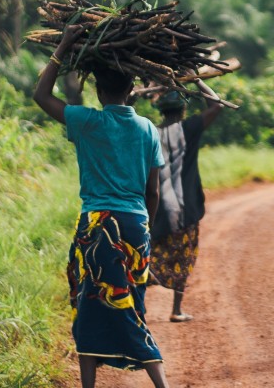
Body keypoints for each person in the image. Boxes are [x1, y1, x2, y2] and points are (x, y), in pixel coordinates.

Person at [33, 26, 173, 388]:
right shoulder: (147, 130)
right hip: (136, 227)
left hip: (97, 226)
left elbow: (41, 94)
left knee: (91, 306)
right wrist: (146, 231)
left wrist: (63, 46)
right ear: (132, 89)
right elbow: (152, 192)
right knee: (132, 306)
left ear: (98, 89)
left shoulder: (87, 121)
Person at [145, 88, 222, 322]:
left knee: (149, 255)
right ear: (183, 108)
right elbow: (216, 106)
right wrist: (197, 80)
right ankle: (176, 309)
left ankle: (139, 305)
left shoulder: (150, 133)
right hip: (185, 208)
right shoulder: (188, 129)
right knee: (183, 255)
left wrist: (132, 94)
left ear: (160, 110)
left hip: (156, 206)